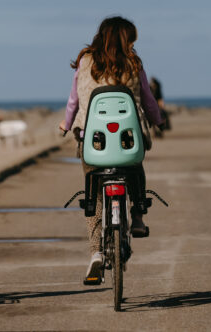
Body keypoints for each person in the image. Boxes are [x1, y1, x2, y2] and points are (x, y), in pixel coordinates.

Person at [58, 16, 162, 285]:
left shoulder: (85, 61)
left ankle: (95, 253)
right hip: (128, 140)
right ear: (128, 40)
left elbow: (74, 101)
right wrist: (159, 120)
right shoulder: (134, 63)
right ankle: (138, 214)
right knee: (135, 167)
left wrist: (66, 125)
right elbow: (149, 101)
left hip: (93, 142)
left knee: (94, 191)